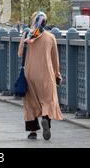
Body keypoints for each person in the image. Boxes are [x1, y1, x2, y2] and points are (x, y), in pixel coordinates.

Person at [18, 11, 63, 141]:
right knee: (48, 100)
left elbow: (20, 53)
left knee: (30, 103)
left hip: (29, 74)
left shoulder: (27, 34)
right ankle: (45, 120)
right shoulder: (50, 37)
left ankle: (32, 132)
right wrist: (57, 74)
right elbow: (55, 59)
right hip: (46, 74)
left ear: (33, 21)